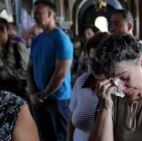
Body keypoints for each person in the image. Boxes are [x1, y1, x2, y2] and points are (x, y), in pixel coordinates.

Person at [27, 1, 73, 141]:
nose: (34, 17)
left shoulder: (61, 39)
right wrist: (32, 92)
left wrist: (43, 95)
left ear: (50, 13)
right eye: (33, 13)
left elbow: (60, 73)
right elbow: (30, 68)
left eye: (38, 13)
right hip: (39, 98)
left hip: (57, 100)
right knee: (44, 136)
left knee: (60, 137)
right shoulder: (37, 39)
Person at [66, 32, 110, 141]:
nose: (95, 65)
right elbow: (71, 118)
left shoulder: (121, 88)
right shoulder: (81, 81)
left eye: (100, 60)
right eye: (91, 60)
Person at [109, 9, 142, 80]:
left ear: (129, 26)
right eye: (111, 24)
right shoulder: (112, 48)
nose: (111, 29)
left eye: (116, 24)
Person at [0, 17, 29, 100]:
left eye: (2, 29)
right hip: (3, 89)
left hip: (17, 89)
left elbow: (25, 71)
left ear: (7, 31)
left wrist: (5, 74)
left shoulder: (17, 46)